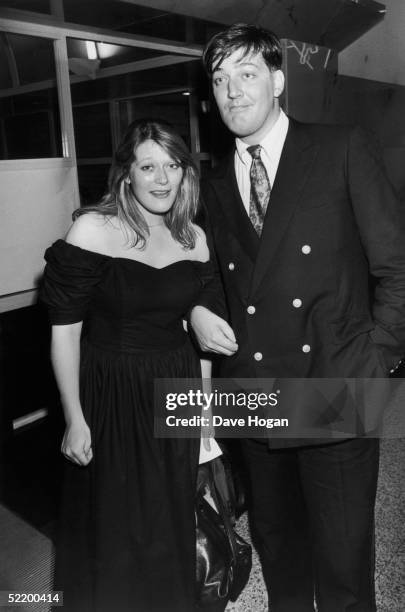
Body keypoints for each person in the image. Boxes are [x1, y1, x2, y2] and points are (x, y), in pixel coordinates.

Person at [190, 23, 405, 612]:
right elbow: (209, 277)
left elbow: (397, 265)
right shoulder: (210, 183)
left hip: (336, 382)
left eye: (248, 73)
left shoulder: (340, 147)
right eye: (220, 77)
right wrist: (197, 309)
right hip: (253, 393)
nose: (233, 91)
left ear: (279, 80)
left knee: (342, 567)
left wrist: (376, 361)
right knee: (278, 550)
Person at [40, 118, 220, 612]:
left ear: (186, 173)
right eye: (148, 166)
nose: (162, 178)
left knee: (169, 511)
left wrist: (203, 411)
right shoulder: (94, 229)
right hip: (112, 391)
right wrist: (74, 417)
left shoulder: (195, 239)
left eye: (173, 165)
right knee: (116, 519)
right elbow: (66, 333)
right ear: (127, 175)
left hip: (174, 382)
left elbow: (200, 337)